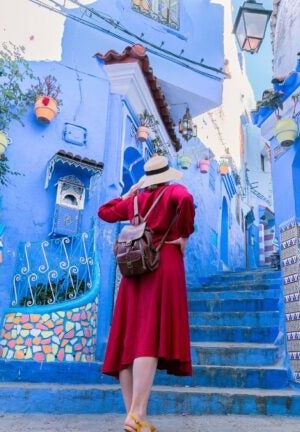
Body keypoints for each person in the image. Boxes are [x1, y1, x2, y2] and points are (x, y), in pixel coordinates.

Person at [98, 155, 196, 432]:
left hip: (134, 269)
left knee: (131, 339)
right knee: (149, 338)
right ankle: (138, 412)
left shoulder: (136, 201)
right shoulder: (174, 191)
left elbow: (105, 212)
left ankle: (133, 414)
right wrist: (185, 234)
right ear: (167, 175)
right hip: (162, 263)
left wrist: (128, 193)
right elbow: (186, 200)